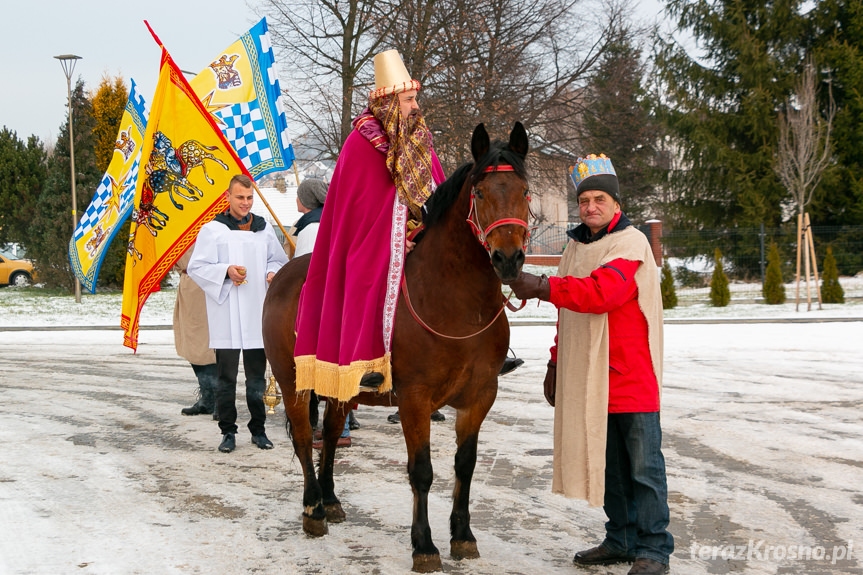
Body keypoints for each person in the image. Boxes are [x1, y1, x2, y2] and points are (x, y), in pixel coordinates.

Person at [505, 154, 673, 575]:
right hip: (590, 377)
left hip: (629, 376)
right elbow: (571, 315)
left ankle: (654, 550)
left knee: (644, 470)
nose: (591, 207)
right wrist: (556, 362)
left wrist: (542, 286)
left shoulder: (630, 243)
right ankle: (621, 539)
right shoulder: (577, 245)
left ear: (616, 204)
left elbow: (602, 294)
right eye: (584, 200)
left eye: (599, 199)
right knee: (612, 468)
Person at [293, 50, 446, 403]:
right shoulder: (360, 145)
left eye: (415, 98)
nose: (415, 106)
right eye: (408, 99)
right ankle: (365, 364)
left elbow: (435, 193)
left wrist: (427, 233)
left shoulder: (420, 140)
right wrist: (394, 243)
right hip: (372, 246)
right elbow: (357, 215)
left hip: (419, 238)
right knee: (365, 277)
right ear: (391, 102)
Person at [188, 174, 289, 453]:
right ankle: (228, 432)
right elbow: (198, 266)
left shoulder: (263, 228)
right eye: (240, 197)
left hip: (257, 311)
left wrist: (271, 272)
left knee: (256, 377)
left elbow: (278, 259)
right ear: (228, 197)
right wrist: (225, 271)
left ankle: (258, 430)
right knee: (226, 378)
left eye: (249, 198)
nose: (245, 203)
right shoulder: (212, 230)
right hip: (228, 312)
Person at [172, 243, 218, 418]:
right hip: (188, 285)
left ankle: (220, 400)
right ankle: (208, 398)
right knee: (192, 343)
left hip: (207, 285)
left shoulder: (211, 224)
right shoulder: (179, 229)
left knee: (209, 345)